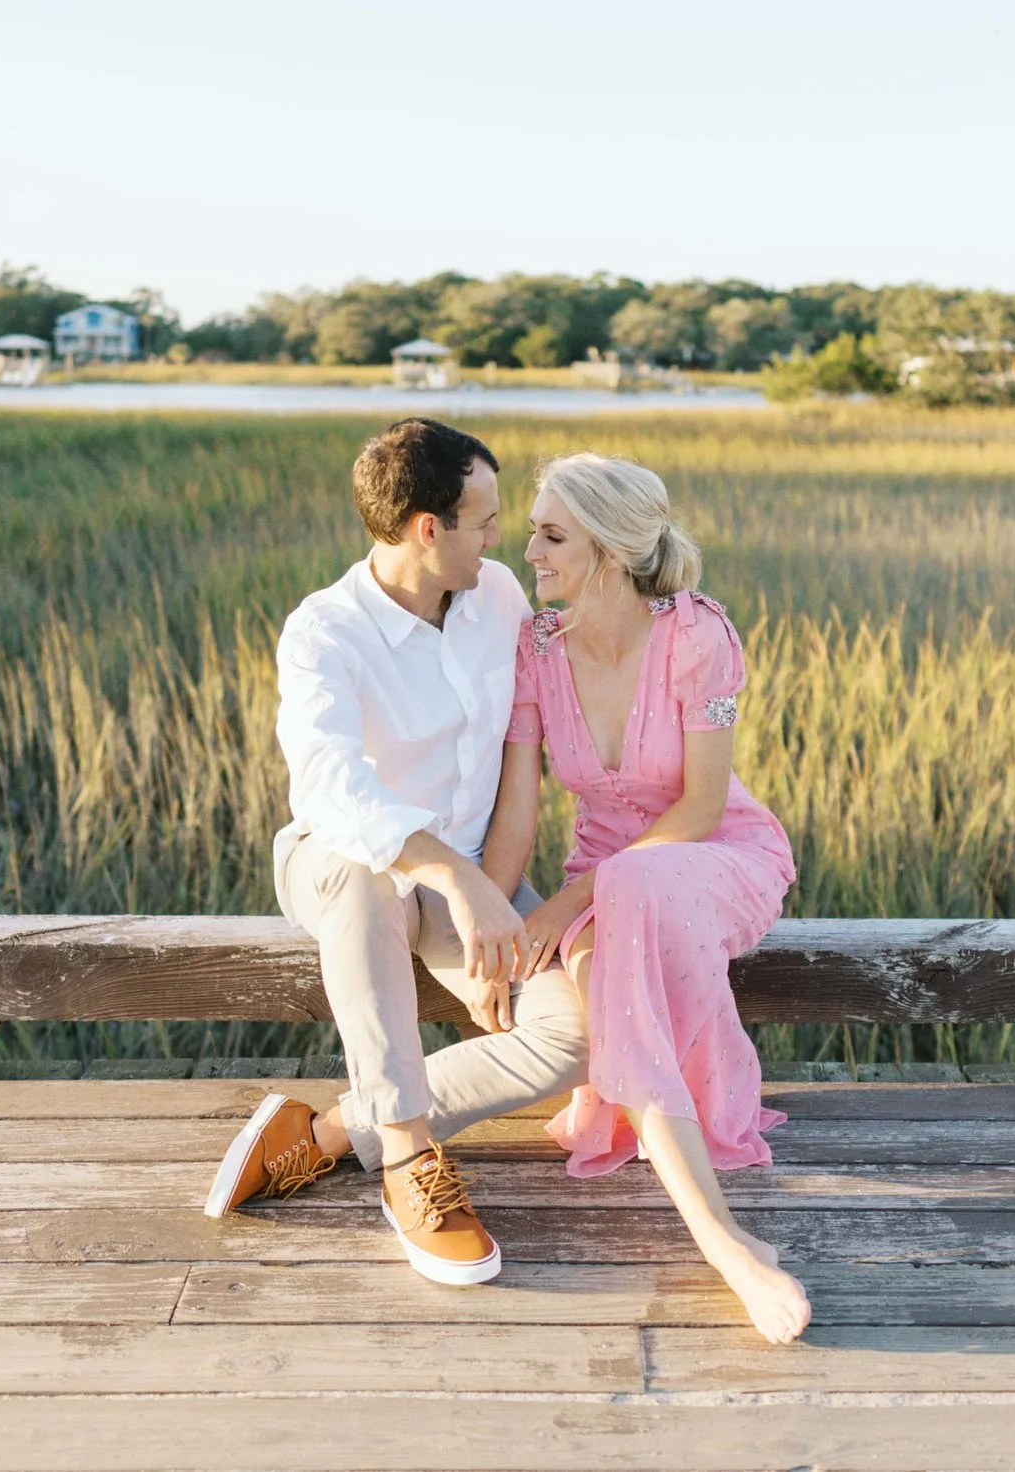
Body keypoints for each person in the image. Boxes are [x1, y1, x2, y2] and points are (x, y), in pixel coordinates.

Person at [203, 418, 588, 1289]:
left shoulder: (499, 602)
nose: (505, 541)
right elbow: (331, 792)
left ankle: (332, 1132)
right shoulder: (324, 632)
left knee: (576, 1036)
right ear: (428, 528)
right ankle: (411, 1161)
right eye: (486, 521)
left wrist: (488, 896)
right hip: (343, 868)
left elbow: (519, 771)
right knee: (363, 876)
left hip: (474, 877)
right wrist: (450, 876)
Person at [483, 452, 813, 1345]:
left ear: (611, 548)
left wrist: (565, 906)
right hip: (608, 881)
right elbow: (517, 812)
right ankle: (720, 1229)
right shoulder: (535, 649)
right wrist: (496, 917)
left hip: (715, 858)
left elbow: (701, 805)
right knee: (608, 980)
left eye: (552, 535)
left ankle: (724, 1245)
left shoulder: (698, 635)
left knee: (627, 888)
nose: (531, 552)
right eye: (533, 532)